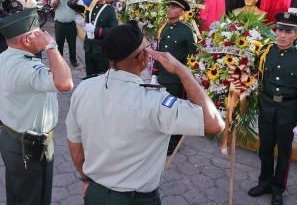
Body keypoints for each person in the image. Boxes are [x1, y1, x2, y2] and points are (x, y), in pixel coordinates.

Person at [66, 23, 225, 205]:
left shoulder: (85, 88)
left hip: (96, 194)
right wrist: (184, 72)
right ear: (142, 57)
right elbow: (214, 124)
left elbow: (74, 142)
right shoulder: (155, 101)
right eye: (148, 48)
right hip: (136, 200)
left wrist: (86, 179)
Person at [0, 8, 73, 205]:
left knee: (17, 194)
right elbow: (65, 83)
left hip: (11, 139)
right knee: (35, 198)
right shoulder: (27, 68)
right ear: (25, 41)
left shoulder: (4, 57)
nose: (43, 35)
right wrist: (51, 46)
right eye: (37, 34)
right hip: (31, 149)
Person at [248, 12, 297, 205]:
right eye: (280, 30)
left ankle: (278, 188)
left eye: (288, 31)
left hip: (288, 110)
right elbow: (254, 76)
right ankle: (264, 182)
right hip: (267, 108)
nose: (282, 35)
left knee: (284, 152)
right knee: (265, 148)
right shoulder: (266, 52)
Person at [151, 0, 197, 155]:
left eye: (173, 7)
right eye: (169, 6)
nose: (169, 9)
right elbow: (159, 52)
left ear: (181, 11)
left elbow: (192, 57)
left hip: (176, 80)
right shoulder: (163, 28)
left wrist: (188, 79)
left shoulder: (187, 32)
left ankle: (174, 141)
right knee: (163, 109)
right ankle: (163, 137)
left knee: (175, 109)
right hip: (162, 77)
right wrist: (154, 74)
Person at [67, 0, 119, 76]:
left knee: (101, 77)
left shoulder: (109, 10)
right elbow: (69, 3)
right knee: (89, 76)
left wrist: (96, 30)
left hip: (101, 49)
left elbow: (113, 31)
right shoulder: (89, 7)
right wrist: (79, 1)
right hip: (89, 48)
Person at [51, 0, 78, 67]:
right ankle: (59, 60)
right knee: (59, 43)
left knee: (72, 43)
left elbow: (77, 6)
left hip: (71, 25)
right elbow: (53, 6)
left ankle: (73, 60)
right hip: (60, 25)